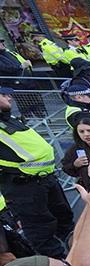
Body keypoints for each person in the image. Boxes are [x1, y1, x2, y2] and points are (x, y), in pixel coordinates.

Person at [0, 86, 74, 256]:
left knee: (65, 220)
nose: (9, 98)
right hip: (23, 186)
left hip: (46, 179)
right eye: (3, 95)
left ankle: (80, 252)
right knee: (41, 231)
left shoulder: (8, 118)